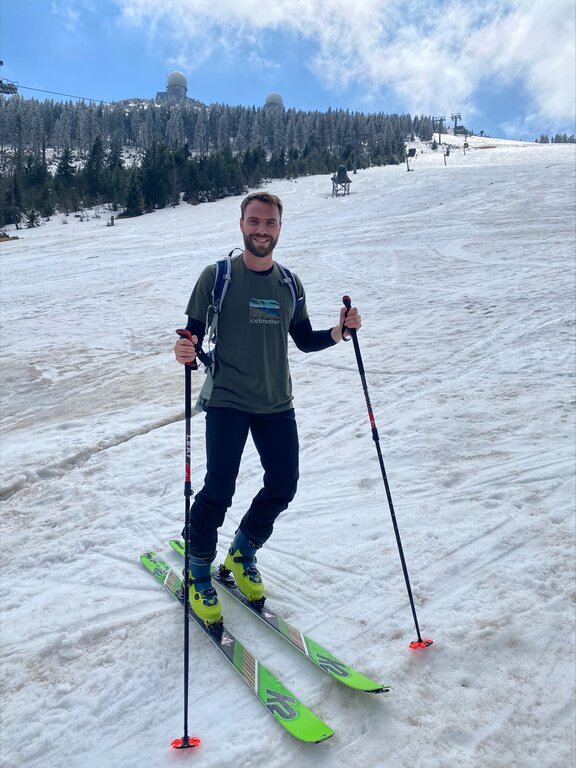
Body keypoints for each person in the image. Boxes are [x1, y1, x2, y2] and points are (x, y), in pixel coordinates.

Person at [174, 191, 361, 625]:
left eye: (270, 223)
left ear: (279, 228)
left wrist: (340, 331)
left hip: (277, 402)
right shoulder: (217, 276)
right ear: (242, 225)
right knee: (218, 490)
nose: (262, 230)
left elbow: (303, 339)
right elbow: (192, 334)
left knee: (284, 484)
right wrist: (184, 349)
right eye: (254, 222)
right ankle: (198, 571)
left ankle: (242, 552)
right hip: (227, 399)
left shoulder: (289, 283)